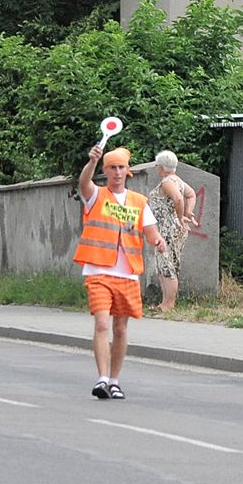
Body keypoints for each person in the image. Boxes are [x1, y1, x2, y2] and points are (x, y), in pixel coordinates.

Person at [74, 145, 167, 400]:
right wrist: (91, 162)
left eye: (121, 168)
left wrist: (159, 241)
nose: (116, 172)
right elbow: (84, 182)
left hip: (127, 273)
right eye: (112, 168)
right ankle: (102, 378)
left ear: (128, 172)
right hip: (98, 271)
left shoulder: (139, 202)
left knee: (121, 329)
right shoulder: (96, 195)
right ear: (104, 171)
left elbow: (151, 231)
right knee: (102, 322)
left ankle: (114, 381)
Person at [147, 150, 198, 312]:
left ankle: (168, 304)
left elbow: (177, 198)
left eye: (157, 166)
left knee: (167, 265)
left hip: (168, 228)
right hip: (173, 228)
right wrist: (188, 212)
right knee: (166, 264)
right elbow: (191, 195)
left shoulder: (167, 182)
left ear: (161, 167)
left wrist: (180, 215)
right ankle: (165, 303)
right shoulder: (179, 181)